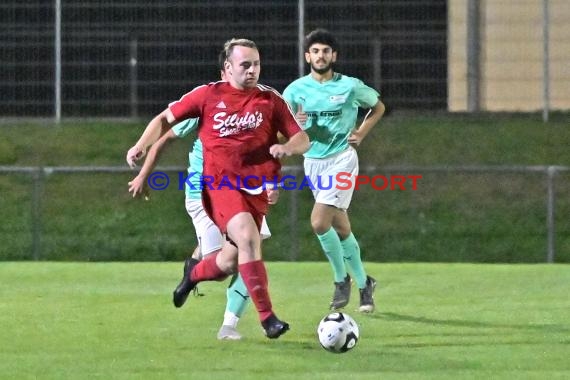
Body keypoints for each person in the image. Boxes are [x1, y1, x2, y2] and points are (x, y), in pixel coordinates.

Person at [126, 38, 310, 339]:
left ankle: (193, 274)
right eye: (245, 65)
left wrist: (287, 147)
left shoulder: (270, 100)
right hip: (218, 185)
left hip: (255, 190)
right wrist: (140, 145)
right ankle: (268, 319)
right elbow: (164, 120)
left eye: (257, 64)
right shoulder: (207, 96)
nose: (253, 71)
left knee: (226, 262)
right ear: (227, 68)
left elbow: (302, 138)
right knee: (249, 240)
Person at [283, 29, 386, 313]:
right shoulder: (294, 91)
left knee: (318, 222)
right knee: (340, 227)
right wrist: (295, 124)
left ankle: (341, 280)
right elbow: (282, 133)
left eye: (326, 51)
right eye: (315, 51)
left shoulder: (349, 86)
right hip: (313, 162)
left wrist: (362, 132)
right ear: (308, 56)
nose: (320, 56)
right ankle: (365, 284)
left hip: (342, 159)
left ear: (334, 56)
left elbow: (377, 107)